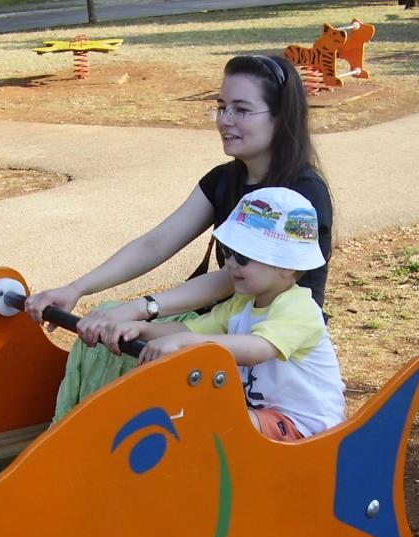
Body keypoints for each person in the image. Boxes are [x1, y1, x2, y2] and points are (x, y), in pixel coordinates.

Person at [24, 53, 333, 421]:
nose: (225, 120)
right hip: (226, 319)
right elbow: (156, 243)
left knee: (137, 348)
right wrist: (77, 289)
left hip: (270, 341)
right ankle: (81, 436)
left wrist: (142, 309)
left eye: (241, 109)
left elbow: (231, 280)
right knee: (109, 324)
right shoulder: (225, 180)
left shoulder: (300, 196)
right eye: (221, 107)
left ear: (280, 117)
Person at [105, 187, 345, 441]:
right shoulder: (242, 303)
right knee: (191, 416)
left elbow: (258, 349)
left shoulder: (299, 308)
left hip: (306, 426)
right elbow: (191, 329)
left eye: (242, 256)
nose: (229, 262)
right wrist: (141, 330)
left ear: (286, 266)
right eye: (228, 251)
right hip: (264, 415)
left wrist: (185, 343)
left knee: (221, 422)